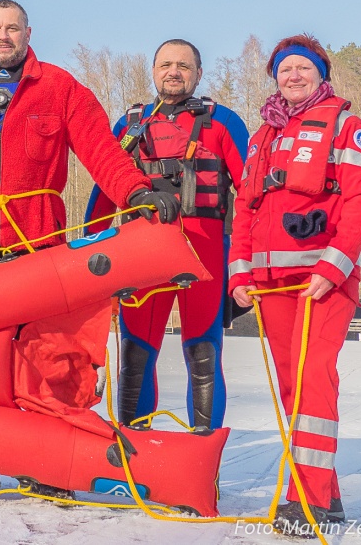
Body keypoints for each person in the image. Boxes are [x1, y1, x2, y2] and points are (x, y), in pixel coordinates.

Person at [0, 0, 179, 495]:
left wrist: (138, 192)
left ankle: (50, 463)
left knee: (46, 357)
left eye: (13, 28)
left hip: (35, 241)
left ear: (29, 33)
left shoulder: (60, 87)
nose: (4, 36)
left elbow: (101, 149)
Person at [229, 35, 361, 537]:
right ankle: (326, 492)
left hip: (322, 283)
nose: (292, 76)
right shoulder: (261, 136)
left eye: (302, 68)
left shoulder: (346, 127)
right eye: (284, 69)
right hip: (272, 285)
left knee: (314, 380)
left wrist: (333, 268)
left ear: (321, 74)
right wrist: (239, 272)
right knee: (296, 390)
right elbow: (246, 209)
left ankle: (306, 500)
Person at [85, 39, 249, 431]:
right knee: (135, 354)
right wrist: (87, 251)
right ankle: (136, 457)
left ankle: (202, 458)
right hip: (142, 253)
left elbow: (253, 195)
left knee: (203, 353)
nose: (174, 71)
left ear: (198, 73)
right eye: (166, 64)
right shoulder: (130, 125)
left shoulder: (224, 121)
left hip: (205, 252)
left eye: (184, 65)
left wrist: (248, 259)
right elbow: (104, 190)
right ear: (154, 70)